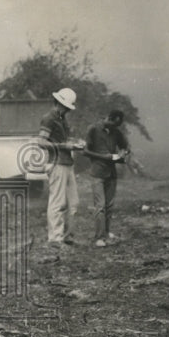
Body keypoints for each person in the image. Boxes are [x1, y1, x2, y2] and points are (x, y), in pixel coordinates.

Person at [38, 87, 82, 248]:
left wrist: (75, 143)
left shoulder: (62, 119)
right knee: (57, 202)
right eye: (65, 106)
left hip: (67, 163)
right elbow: (41, 142)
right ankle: (55, 239)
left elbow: (65, 140)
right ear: (58, 103)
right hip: (56, 162)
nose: (67, 110)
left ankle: (67, 236)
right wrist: (63, 146)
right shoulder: (49, 118)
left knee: (73, 202)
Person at [84, 109, 130, 248]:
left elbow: (125, 147)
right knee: (100, 206)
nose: (115, 127)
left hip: (111, 173)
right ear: (109, 117)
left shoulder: (116, 132)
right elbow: (85, 151)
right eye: (113, 123)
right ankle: (99, 237)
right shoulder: (93, 129)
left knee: (109, 206)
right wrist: (103, 156)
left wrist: (123, 153)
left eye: (117, 125)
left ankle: (106, 233)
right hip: (97, 173)